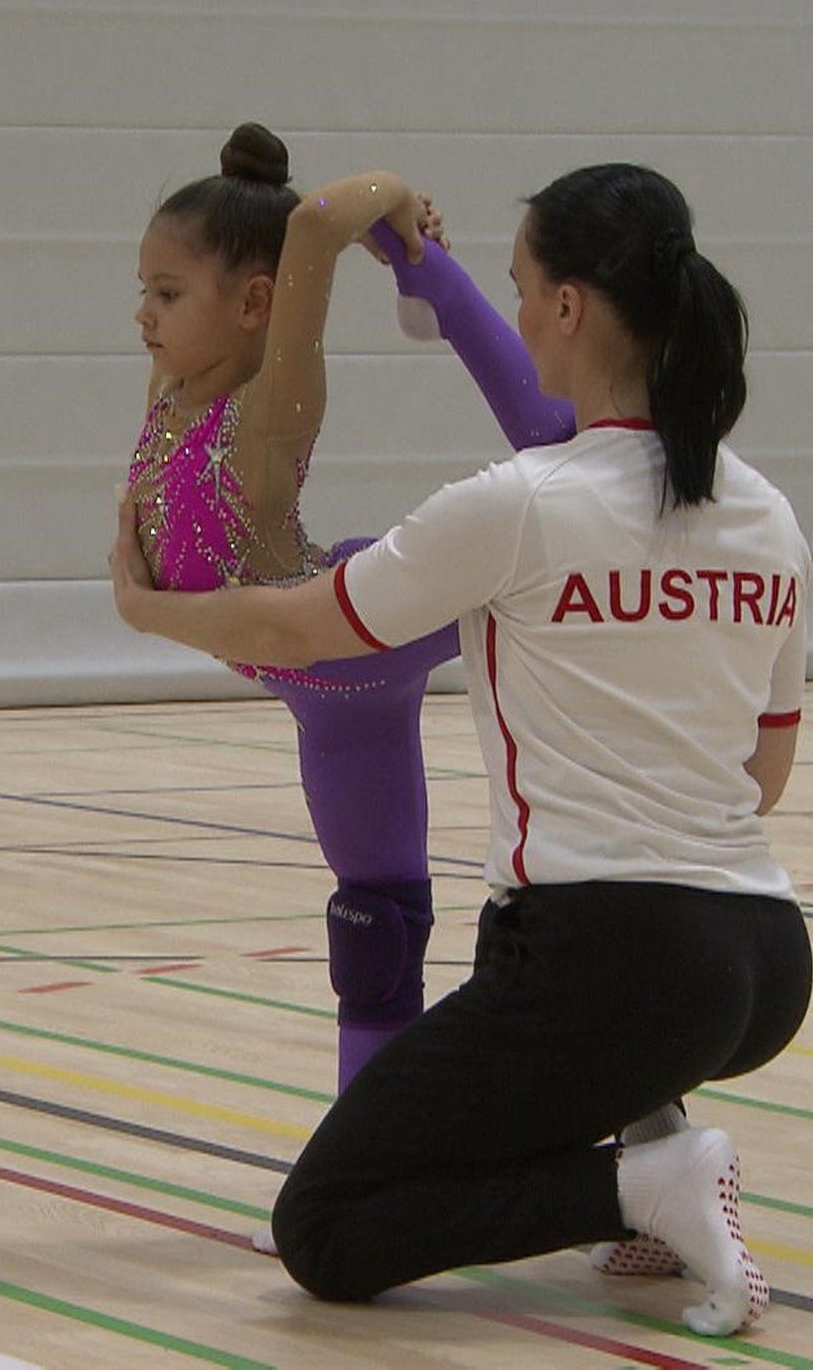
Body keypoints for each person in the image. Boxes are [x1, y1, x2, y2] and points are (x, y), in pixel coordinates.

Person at [111, 160, 813, 1337]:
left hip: (602, 961)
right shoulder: (765, 512)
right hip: (761, 964)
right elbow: (764, 777)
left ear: (571, 308)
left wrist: (149, 611)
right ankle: (650, 1137)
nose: (519, 314)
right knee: (574, 1027)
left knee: (325, 1225)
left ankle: (645, 1177)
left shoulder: (520, 501)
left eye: (520, 288)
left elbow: (294, 620)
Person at [126, 124, 570, 1092]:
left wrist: (396, 210)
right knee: (371, 933)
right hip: (322, 698)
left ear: (252, 303)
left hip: (359, 631)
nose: (143, 315)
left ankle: (438, 287)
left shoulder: (268, 409)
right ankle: (364, 1168)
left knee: (562, 449)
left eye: (166, 293)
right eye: (142, 290)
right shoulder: (171, 395)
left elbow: (323, 220)